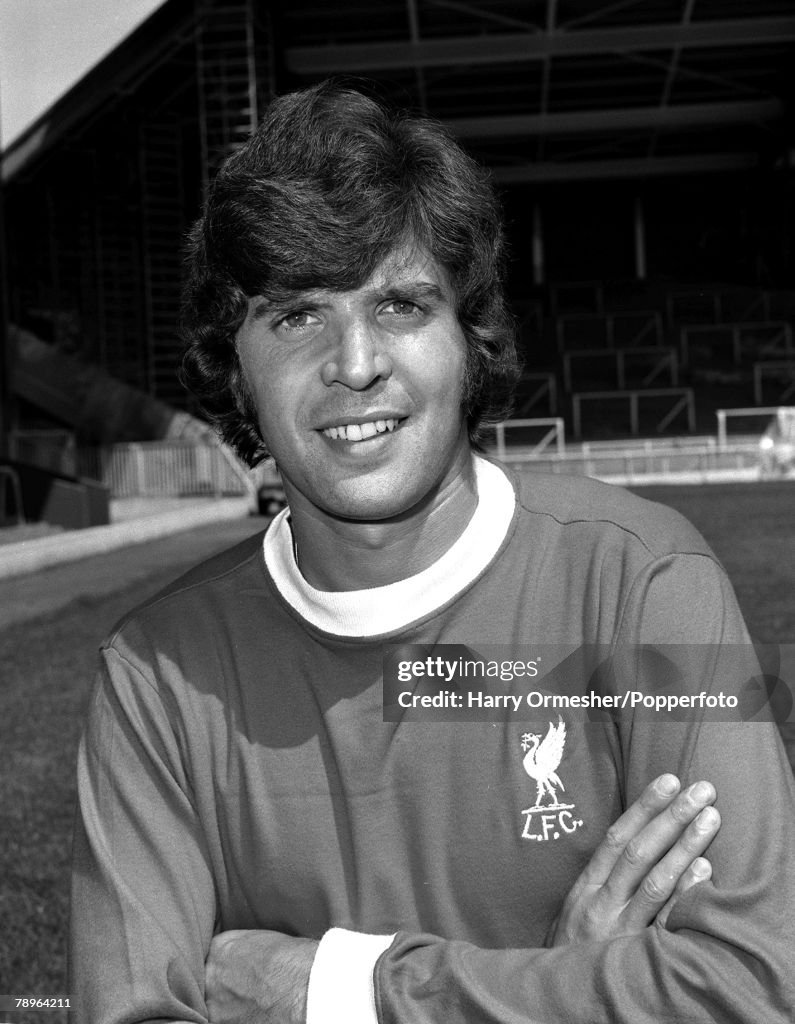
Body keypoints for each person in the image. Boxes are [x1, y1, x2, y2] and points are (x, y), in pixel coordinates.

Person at [70, 82, 795, 1023]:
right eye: (296, 315)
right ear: (233, 366)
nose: (355, 361)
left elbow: (759, 986)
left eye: (402, 306)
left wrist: (345, 991)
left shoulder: (646, 579)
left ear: (470, 339)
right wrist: (564, 988)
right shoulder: (154, 680)